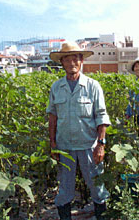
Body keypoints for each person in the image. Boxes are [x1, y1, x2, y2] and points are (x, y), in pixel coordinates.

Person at [46, 42, 111, 220]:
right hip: (64, 146)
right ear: (62, 63)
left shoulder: (93, 86)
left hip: (88, 145)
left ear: (81, 61)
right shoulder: (56, 87)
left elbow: (102, 116)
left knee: (97, 187)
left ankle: (101, 216)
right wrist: (53, 144)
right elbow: (52, 117)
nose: (71, 63)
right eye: (67, 60)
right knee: (65, 188)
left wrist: (101, 144)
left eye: (75, 59)